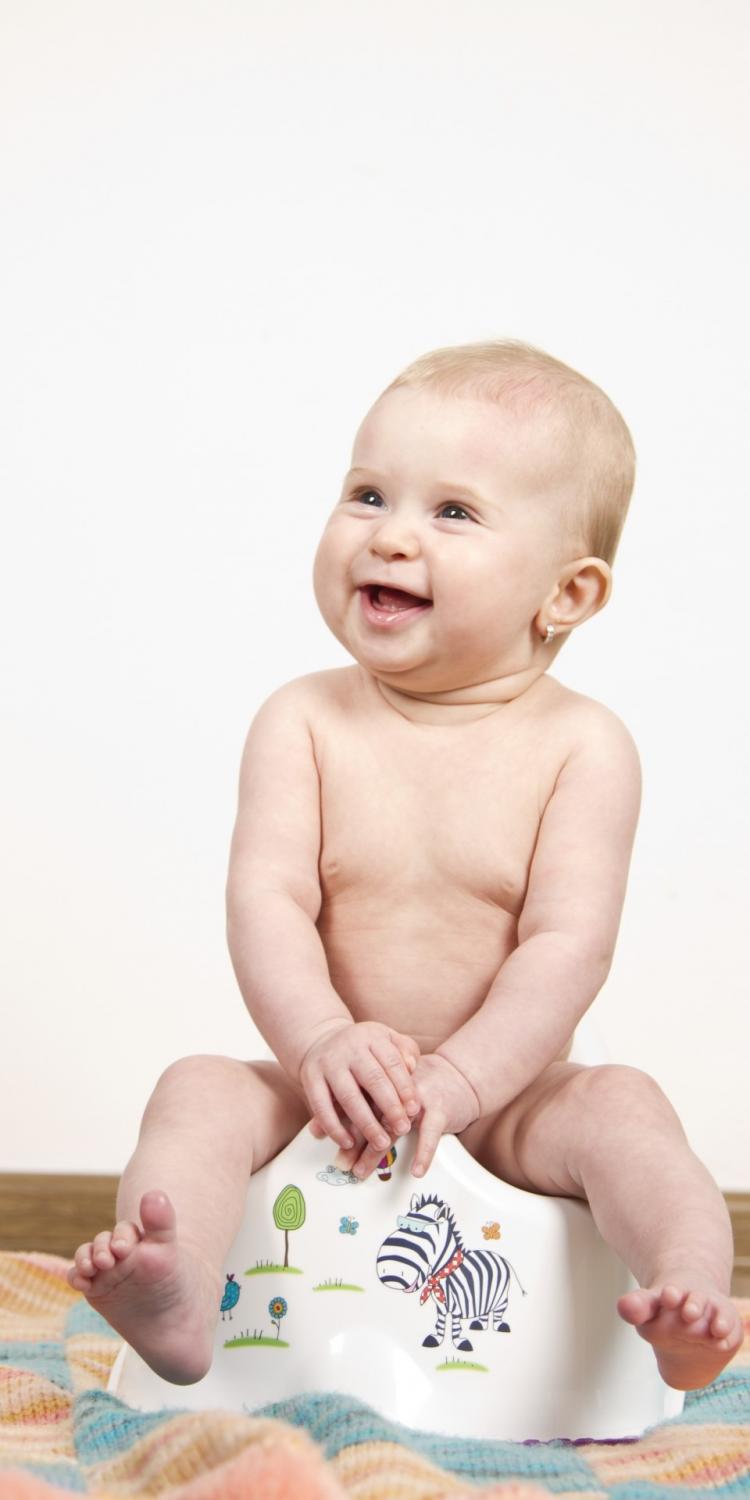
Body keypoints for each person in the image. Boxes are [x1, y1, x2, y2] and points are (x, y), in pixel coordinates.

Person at [67, 340, 741, 1393]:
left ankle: (688, 1296)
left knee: (627, 1112)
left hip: (510, 1095)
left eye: (453, 512)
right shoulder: (302, 720)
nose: (389, 536)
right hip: (322, 1082)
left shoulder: (582, 747)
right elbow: (269, 899)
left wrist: (464, 1079)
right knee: (196, 1091)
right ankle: (181, 1285)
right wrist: (320, 1039)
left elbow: (569, 945)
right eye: (368, 493)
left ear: (566, 593)